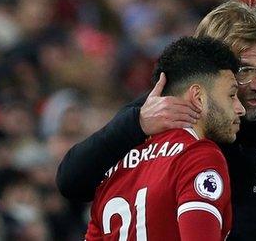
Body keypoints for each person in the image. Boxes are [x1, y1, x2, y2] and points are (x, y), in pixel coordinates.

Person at [57, 0, 256, 240]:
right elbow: (71, 181)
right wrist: (135, 123)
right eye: (245, 71)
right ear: (212, 67)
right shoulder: (161, 113)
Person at [85, 36, 245, 240]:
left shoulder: (115, 166)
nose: (240, 109)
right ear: (198, 97)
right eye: (232, 95)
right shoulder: (198, 156)